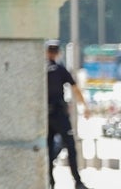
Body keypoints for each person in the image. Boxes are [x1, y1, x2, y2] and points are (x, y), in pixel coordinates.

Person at [47, 39, 90, 189]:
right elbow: (75, 87)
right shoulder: (59, 69)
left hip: (47, 116)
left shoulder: (41, 70)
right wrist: (84, 106)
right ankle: (76, 181)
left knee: (48, 148)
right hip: (58, 115)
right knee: (70, 146)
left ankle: (50, 182)